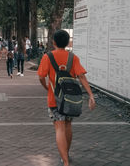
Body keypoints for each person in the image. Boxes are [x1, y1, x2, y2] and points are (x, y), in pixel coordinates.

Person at [37, 30, 96, 166]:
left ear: (54, 42)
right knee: (68, 125)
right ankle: (66, 155)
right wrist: (91, 95)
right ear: (67, 42)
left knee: (59, 128)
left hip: (54, 99)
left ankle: (65, 162)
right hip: (70, 99)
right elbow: (81, 76)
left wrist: (46, 87)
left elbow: (41, 76)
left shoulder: (48, 57)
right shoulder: (72, 57)